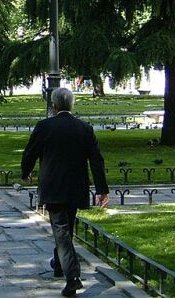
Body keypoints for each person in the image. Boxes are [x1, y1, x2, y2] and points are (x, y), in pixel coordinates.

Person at [20, 87, 109, 297]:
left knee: (61, 231)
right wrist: (102, 190)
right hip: (76, 187)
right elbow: (96, 160)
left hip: (53, 187)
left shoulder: (44, 126)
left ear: (53, 105)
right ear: (72, 105)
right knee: (65, 229)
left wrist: (26, 172)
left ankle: (73, 278)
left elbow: (30, 152)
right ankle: (59, 265)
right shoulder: (85, 128)